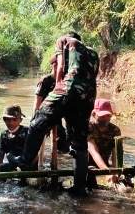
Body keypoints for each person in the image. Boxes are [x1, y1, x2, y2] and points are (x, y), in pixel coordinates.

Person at [22, 32, 100, 196]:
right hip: (87, 96)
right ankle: (79, 188)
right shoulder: (93, 53)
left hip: (68, 88)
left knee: (37, 122)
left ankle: (24, 162)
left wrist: (58, 89)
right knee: (80, 143)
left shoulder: (65, 41)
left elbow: (59, 67)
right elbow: (92, 76)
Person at [86, 98, 121, 187]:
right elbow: (94, 152)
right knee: (90, 184)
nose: (106, 119)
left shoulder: (115, 130)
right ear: (94, 114)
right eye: (102, 116)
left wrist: (115, 171)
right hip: (89, 164)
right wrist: (107, 172)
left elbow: (115, 154)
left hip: (105, 163)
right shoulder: (89, 128)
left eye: (108, 116)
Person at [34, 71, 70, 154]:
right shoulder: (45, 80)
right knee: (37, 135)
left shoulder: (65, 79)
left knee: (64, 140)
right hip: (45, 113)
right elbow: (38, 100)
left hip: (58, 112)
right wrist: (36, 116)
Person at [0, 105, 30, 171]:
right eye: (7, 119)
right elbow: (0, 158)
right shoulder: (4, 135)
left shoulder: (28, 132)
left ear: (20, 120)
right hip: (13, 165)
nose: (11, 123)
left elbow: (34, 155)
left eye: (14, 119)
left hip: (27, 165)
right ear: (4, 120)